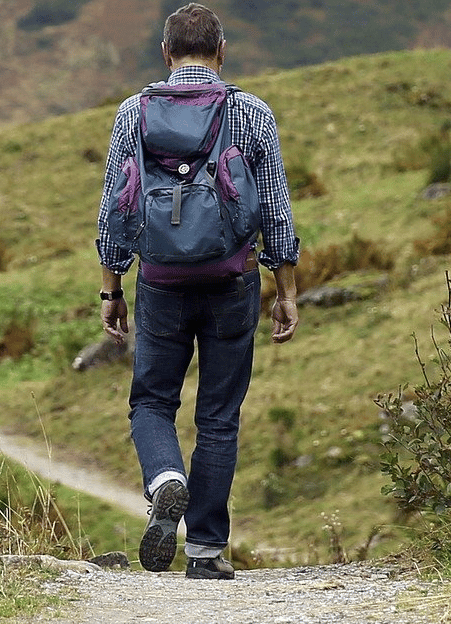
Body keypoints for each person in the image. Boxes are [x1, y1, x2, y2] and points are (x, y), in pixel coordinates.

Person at [94, 3, 300, 580]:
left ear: (165, 53)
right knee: (219, 417)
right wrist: (286, 290)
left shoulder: (134, 114)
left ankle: (166, 480)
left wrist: (111, 288)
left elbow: (116, 206)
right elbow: (277, 212)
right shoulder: (251, 113)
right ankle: (206, 551)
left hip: (159, 282)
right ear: (221, 51)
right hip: (232, 281)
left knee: (152, 401)